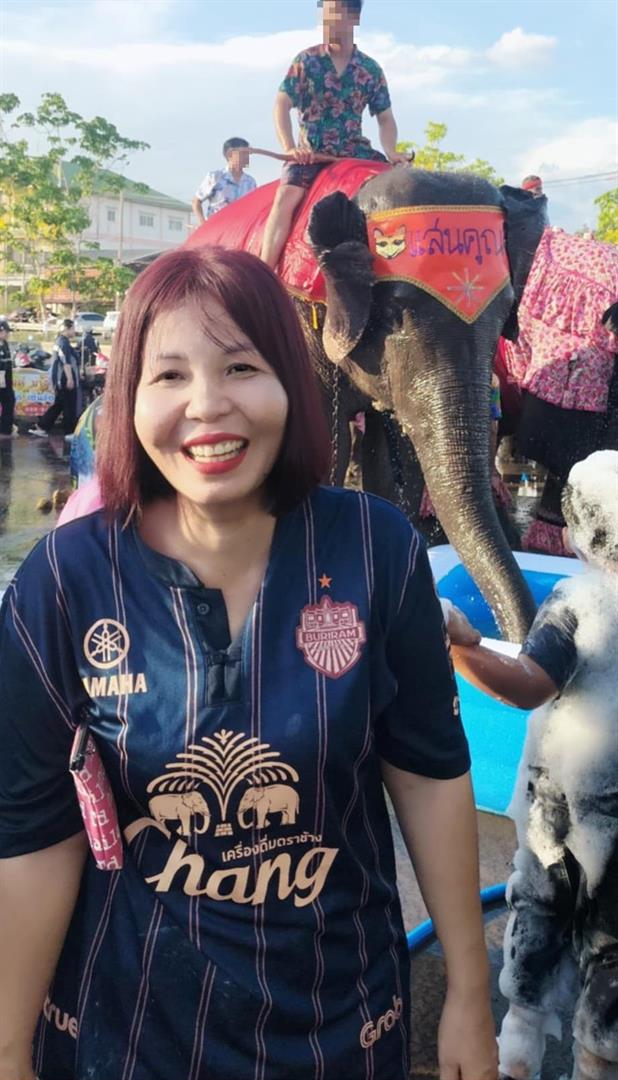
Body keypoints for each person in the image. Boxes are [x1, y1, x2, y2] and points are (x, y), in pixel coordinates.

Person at [0, 246, 498, 1080]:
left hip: (342, 1025)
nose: (207, 405)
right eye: (169, 376)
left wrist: (469, 994)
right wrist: (10, 1047)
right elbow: (34, 833)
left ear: (291, 383)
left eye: (240, 366)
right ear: (127, 398)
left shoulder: (375, 550)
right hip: (126, 1033)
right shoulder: (66, 579)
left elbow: (430, 773)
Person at [446, 450, 618, 1080]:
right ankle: (596, 1062)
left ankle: (516, 1058)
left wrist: (458, 646)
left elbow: (527, 685)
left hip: (562, 819)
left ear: (579, 535)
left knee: (539, 932)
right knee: (612, 961)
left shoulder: (581, 604)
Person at [260, 0, 409, 269]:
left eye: (335, 15)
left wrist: (392, 151)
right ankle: (263, 271)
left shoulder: (370, 69)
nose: (327, 23)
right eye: (325, 16)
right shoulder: (306, 61)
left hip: (356, 153)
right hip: (311, 154)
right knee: (286, 197)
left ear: (354, 18)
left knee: (399, 189)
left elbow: (385, 118)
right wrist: (290, 147)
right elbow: (281, 105)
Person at [28, 318, 80, 440]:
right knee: (69, 405)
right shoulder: (63, 342)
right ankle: (69, 432)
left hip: (62, 379)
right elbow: (65, 362)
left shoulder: (62, 341)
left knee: (59, 404)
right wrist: (70, 379)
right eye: (73, 328)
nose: (74, 331)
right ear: (66, 329)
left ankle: (42, 426)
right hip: (63, 379)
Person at [192, 137, 256, 224]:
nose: (246, 157)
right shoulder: (215, 177)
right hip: (217, 226)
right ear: (229, 154)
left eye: (247, 154)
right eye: (243, 153)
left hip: (240, 227)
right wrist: (202, 223)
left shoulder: (250, 182)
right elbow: (196, 201)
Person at [0, 318, 16, 440]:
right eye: (6, 332)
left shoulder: (5, 344)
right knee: (8, 402)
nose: (8, 334)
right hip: (1, 380)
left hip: (6, 381)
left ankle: (6, 430)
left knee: (9, 402)